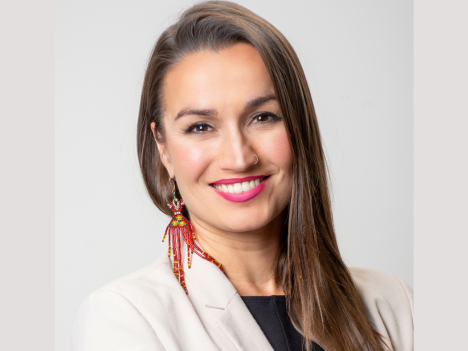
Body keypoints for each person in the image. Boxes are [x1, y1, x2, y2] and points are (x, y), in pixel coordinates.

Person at [72, 1, 413, 350]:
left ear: (299, 126)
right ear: (162, 147)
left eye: (263, 117)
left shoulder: (394, 304)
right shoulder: (127, 317)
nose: (239, 158)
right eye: (200, 127)